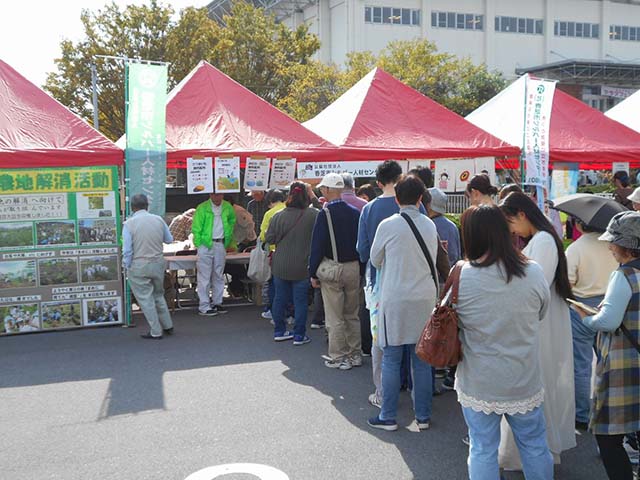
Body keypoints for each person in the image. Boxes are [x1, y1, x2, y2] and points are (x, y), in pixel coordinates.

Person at [455, 204, 553, 479]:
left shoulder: (463, 274)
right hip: (523, 377)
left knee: (482, 448)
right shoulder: (532, 272)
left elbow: (453, 322)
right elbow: (541, 313)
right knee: (534, 445)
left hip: (479, 379)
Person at [499, 192, 576, 467]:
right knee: (538, 387)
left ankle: (534, 455)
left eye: (511, 223)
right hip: (542, 321)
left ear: (521, 214)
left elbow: (535, 287)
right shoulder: (542, 238)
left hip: (540, 324)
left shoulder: (543, 241)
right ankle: (535, 454)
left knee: (537, 387)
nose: (511, 230)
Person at [573, 211, 640, 480]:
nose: (609, 246)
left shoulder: (623, 276)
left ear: (626, 245)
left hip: (623, 365)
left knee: (607, 435)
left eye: (613, 242)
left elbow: (609, 322)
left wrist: (586, 318)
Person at [367, 175, 437, 431]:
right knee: (421, 361)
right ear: (421, 198)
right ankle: (423, 416)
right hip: (424, 298)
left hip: (395, 298)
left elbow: (375, 259)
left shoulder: (388, 225)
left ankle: (388, 416)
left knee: (392, 358)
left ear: (397, 198)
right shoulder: (430, 225)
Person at [357, 160, 427, 409]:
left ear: (378, 183)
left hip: (381, 285)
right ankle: (420, 405)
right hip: (419, 284)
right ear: (401, 178)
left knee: (384, 347)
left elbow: (364, 252)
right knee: (417, 348)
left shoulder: (369, 209)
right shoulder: (422, 214)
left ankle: (383, 396)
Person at [565, 218, 618, 430]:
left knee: (581, 365)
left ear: (578, 224)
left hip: (581, 307)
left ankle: (582, 416)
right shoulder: (613, 246)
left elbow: (567, 282)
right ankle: (609, 414)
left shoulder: (575, 248)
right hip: (610, 304)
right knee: (609, 364)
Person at [309, 173, 362, 369]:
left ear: (327, 190)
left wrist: (313, 273)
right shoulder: (355, 212)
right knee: (352, 314)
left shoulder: (325, 214)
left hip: (334, 268)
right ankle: (355, 354)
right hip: (354, 268)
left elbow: (317, 246)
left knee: (334, 316)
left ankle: (339, 356)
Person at [265, 182, 318, 345]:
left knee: (279, 298)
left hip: (280, 264)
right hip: (302, 265)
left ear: (289, 195)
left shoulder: (278, 215)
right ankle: (299, 335)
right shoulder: (313, 214)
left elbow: (269, 239)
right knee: (300, 301)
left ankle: (279, 331)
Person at [123, 194, 174, 339]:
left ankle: (156, 331)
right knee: (159, 294)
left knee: (146, 299)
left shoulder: (129, 224)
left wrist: (127, 266)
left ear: (132, 207)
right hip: (158, 263)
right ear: (147, 205)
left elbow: (127, 250)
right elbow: (169, 240)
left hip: (139, 264)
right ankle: (168, 325)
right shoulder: (158, 219)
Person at [192, 192, 236, 316]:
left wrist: (228, 238)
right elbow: (196, 227)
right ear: (210, 194)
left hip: (220, 243)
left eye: (219, 194)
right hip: (206, 245)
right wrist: (199, 243)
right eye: (214, 194)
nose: (217, 197)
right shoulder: (202, 207)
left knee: (218, 274)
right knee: (204, 276)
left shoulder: (227, 207)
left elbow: (232, 220)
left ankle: (217, 302)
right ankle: (204, 306)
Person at [259, 189, 286, 320]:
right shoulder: (291, 210)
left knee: (273, 283)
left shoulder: (269, 214)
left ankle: (271, 310)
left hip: (274, 252)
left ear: (270, 201)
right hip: (292, 251)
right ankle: (289, 313)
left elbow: (264, 236)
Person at [427, 187, 461, 268]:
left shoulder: (427, 225)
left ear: (429, 205)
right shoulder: (452, 226)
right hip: (449, 275)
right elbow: (455, 256)